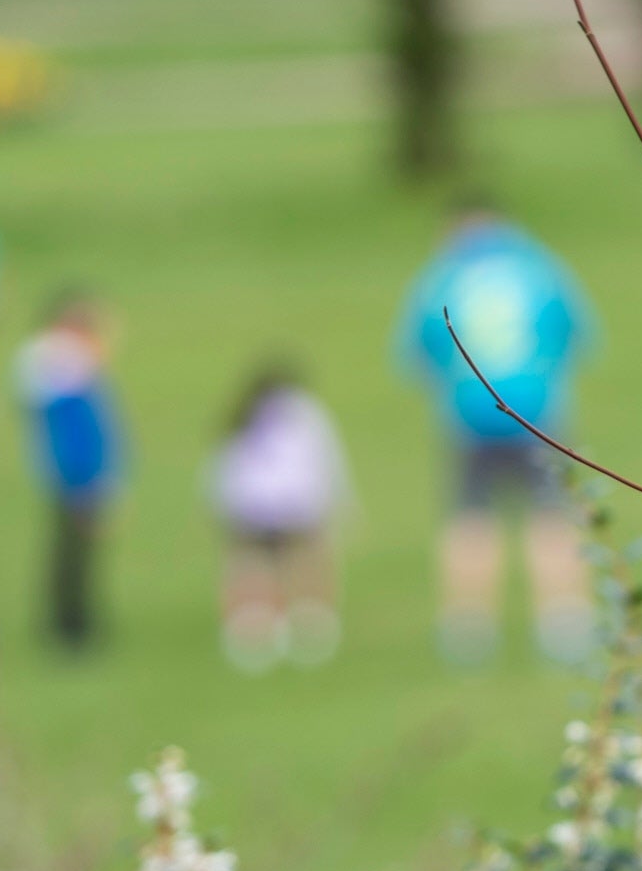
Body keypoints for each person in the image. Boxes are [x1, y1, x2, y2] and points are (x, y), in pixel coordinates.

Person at [396, 204, 596, 665]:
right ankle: (564, 621)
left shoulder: (441, 277)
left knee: (471, 519)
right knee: (550, 517)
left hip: (469, 414)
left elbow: (418, 351)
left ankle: (469, 627)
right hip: (538, 411)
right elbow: (575, 334)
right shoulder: (540, 269)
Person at [211, 362, 350, 672]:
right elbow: (325, 459)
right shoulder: (305, 412)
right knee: (306, 565)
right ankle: (312, 627)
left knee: (251, 569)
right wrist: (339, 504)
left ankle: (250, 633)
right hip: (298, 505)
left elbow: (224, 468)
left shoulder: (243, 413)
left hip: (250, 507)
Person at [17, 291, 124, 648]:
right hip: (76, 476)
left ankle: (70, 623)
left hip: (70, 474)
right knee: (74, 553)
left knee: (70, 550)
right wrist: (88, 481)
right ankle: (72, 627)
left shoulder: (51, 368)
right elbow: (80, 435)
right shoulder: (65, 371)